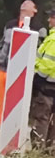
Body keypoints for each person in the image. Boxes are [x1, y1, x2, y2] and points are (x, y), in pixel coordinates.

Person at [0, 0, 38, 126]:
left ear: (34, 11)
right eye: (24, 3)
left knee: (14, 103)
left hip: (20, 73)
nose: (25, 4)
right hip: (2, 68)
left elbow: (38, 51)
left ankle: (11, 128)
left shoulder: (38, 29)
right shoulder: (10, 24)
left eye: (30, 4)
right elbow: (1, 44)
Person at [30, 12, 55, 150]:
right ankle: (50, 154)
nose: (48, 20)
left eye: (51, 17)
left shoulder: (53, 40)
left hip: (47, 86)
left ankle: (37, 151)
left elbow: (48, 63)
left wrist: (38, 78)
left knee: (42, 119)